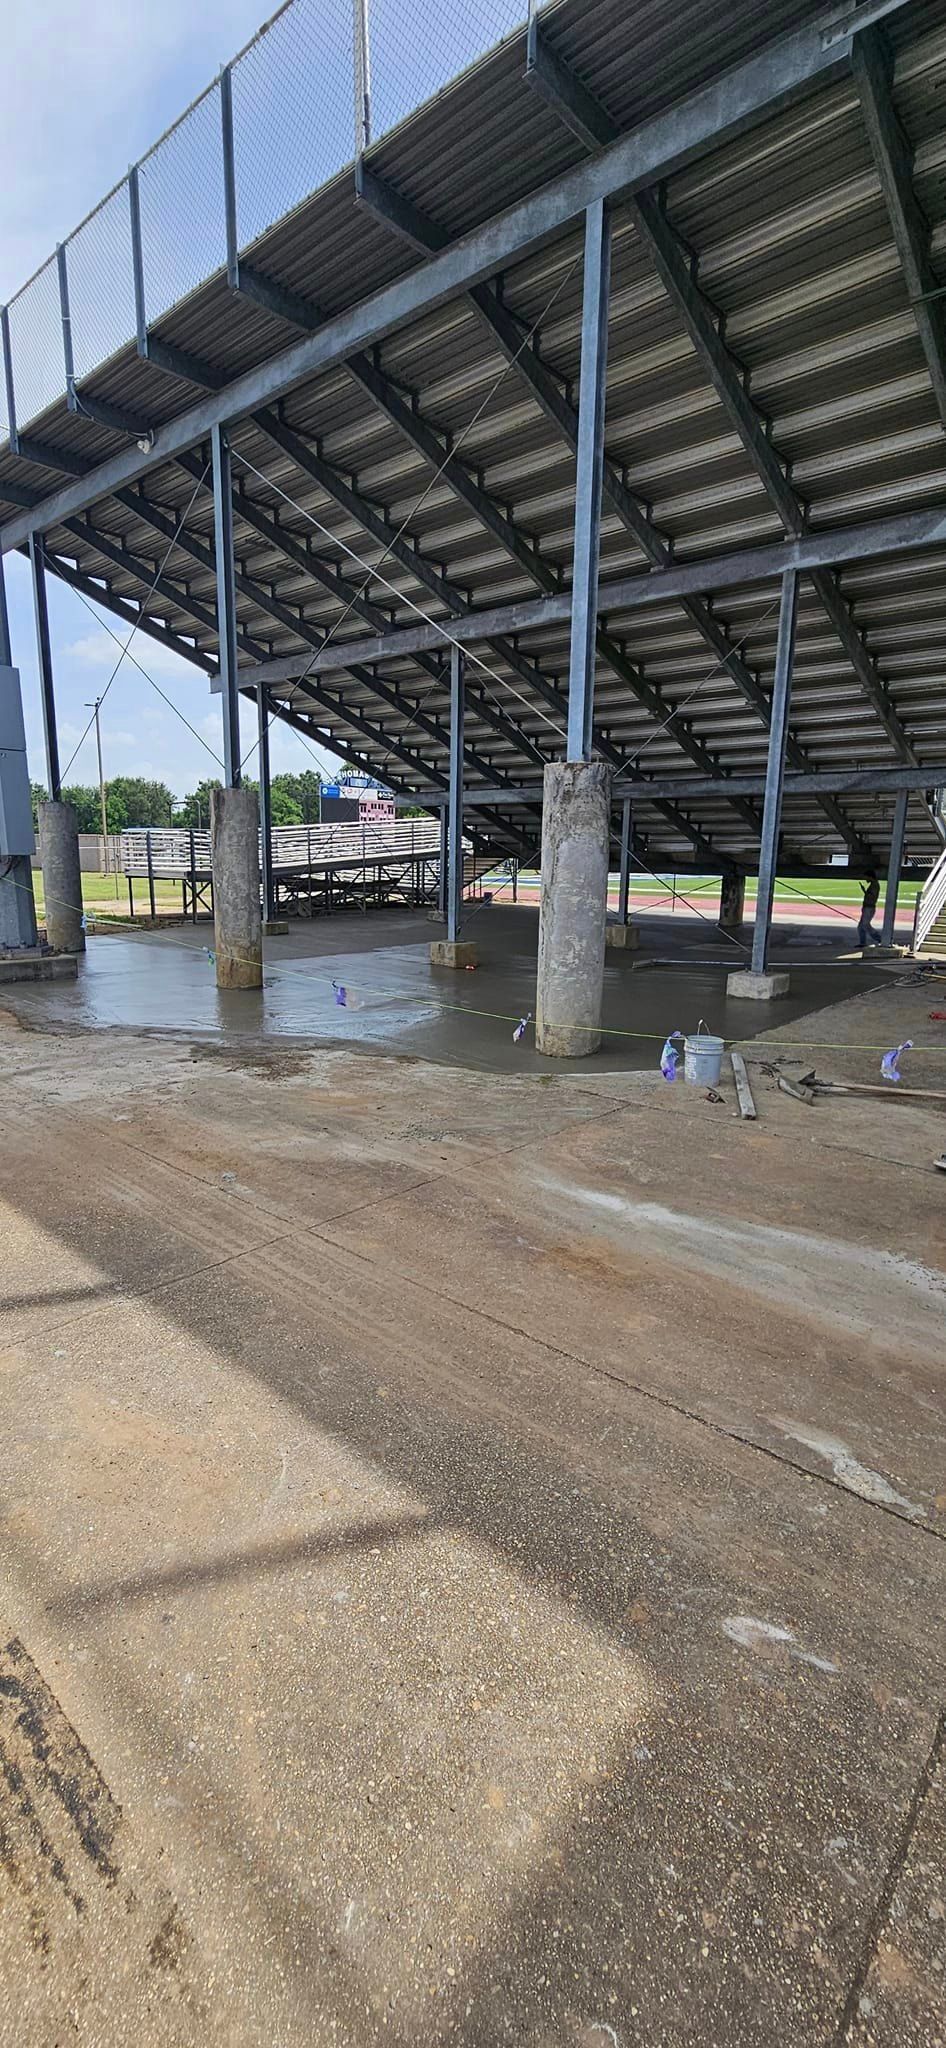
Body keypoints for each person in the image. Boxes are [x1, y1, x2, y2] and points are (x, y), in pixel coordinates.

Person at [857, 870, 881, 949]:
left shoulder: (874, 885)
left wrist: (865, 891)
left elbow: (871, 896)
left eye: (866, 877)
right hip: (867, 907)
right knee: (861, 926)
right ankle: (862, 943)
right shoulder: (873, 884)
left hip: (869, 908)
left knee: (865, 925)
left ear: (870, 877)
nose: (865, 879)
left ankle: (880, 939)